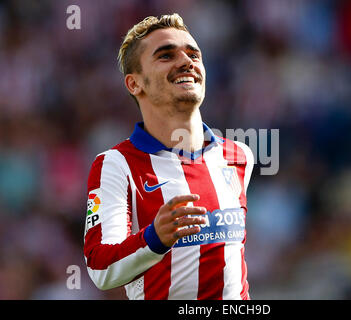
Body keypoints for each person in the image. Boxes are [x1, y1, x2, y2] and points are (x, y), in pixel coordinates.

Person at [83, 13, 254, 300]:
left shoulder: (238, 155)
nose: (187, 62)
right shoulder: (115, 164)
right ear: (135, 84)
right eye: (166, 56)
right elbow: (101, 269)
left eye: (193, 54)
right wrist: (154, 238)